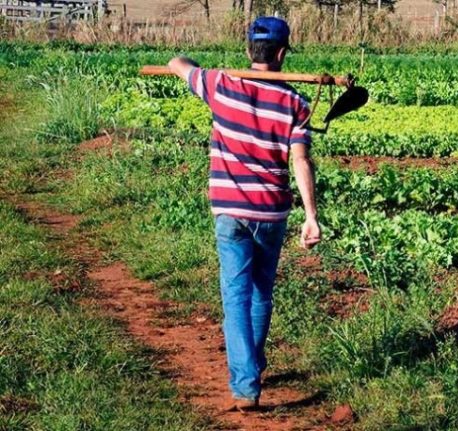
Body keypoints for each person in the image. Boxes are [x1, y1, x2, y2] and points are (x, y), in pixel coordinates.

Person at [167, 16, 320, 411]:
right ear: (283, 53)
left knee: (236, 297)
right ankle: (250, 368)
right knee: (260, 294)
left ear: (248, 51)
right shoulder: (295, 103)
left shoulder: (219, 84)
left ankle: (246, 384)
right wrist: (311, 215)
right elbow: (301, 161)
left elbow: (176, 62)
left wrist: (191, 63)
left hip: (230, 210)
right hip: (272, 211)